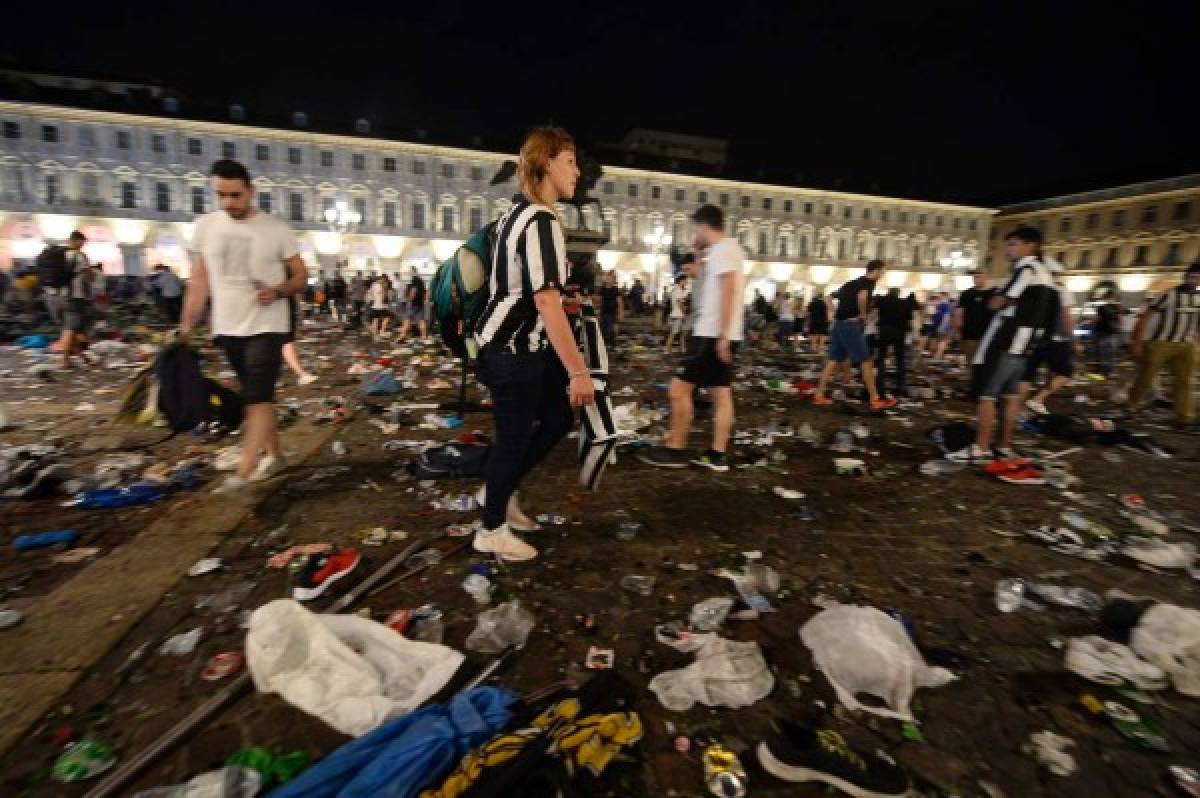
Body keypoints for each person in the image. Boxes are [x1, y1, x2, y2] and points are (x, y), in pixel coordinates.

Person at [471, 126, 594, 563]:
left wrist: (565, 302)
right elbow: (542, 299)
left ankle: (498, 492)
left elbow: (529, 289)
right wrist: (579, 371)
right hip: (512, 349)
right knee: (513, 438)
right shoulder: (541, 220)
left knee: (557, 418)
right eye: (569, 161)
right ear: (545, 164)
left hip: (511, 344)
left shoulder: (514, 215)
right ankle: (490, 528)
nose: (577, 172)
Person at [181, 159, 307, 491]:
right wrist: (186, 325)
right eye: (221, 195)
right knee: (257, 397)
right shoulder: (206, 226)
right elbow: (199, 280)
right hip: (228, 327)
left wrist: (278, 291)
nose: (228, 203)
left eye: (235, 195)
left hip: (268, 324)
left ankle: (245, 471)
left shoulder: (276, 228)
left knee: (257, 397)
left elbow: (301, 276)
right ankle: (276, 454)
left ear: (250, 191)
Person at [639, 204, 744, 472]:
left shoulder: (722, 251)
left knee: (679, 390)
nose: (694, 233)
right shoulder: (726, 250)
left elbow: (729, 292)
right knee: (721, 393)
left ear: (704, 225)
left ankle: (676, 449)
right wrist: (698, 254)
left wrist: (721, 335)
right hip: (721, 333)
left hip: (711, 334)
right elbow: (704, 280)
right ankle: (716, 455)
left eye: (695, 228)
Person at [952, 226, 1058, 464]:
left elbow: (997, 303)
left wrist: (997, 298)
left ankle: (981, 448)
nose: (1008, 250)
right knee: (1011, 396)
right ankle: (1004, 445)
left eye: (1013, 244)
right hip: (1025, 344)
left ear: (1031, 246)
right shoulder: (1047, 275)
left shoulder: (1026, 269)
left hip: (1006, 340)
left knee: (986, 396)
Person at [810, 261, 896, 410]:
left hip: (838, 325)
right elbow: (862, 297)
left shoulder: (851, 283)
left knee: (832, 361)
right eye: (883, 271)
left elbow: (827, 298)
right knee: (866, 360)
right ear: (875, 271)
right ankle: (875, 399)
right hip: (850, 326)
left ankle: (819, 395)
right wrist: (863, 315)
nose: (883, 275)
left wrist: (833, 313)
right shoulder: (867, 283)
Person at [1124, 262, 1200, 428]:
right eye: (1193, 277)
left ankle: (1184, 417)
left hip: (1186, 345)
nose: (1195, 281)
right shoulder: (1168, 295)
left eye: (1198, 278)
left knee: (1185, 381)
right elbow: (1145, 317)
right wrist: (1137, 342)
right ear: (1186, 276)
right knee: (1146, 376)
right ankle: (1130, 405)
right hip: (1161, 343)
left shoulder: (1198, 297)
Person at [1022, 260, 1077, 416]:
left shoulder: (1035, 290)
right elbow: (1067, 318)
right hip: (1057, 339)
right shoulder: (1061, 290)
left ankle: (1018, 409)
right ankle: (1038, 399)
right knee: (1065, 373)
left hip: (1034, 337)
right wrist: (1073, 340)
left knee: (1027, 374)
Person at [874, 287, 918, 398]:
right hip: (899, 333)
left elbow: (874, 305)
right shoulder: (904, 303)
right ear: (898, 294)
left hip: (884, 331)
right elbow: (910, 317)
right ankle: (900, 386)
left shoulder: (883, 301)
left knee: (881, 358)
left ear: (888, 293)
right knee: (900, 360)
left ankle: (880, 384)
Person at [954, 271, 995, 366]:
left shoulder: (993, 293)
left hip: (989, 336)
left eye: (979, 276)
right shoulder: (966, 294)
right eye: (975, 277)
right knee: (972, 364)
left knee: (987, 365)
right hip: (970, 335)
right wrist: (958, 332)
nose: (977, 279)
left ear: (986, 277)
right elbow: (959, 313)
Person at [1088, 285, 1122, 378]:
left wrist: (1090, 323)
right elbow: (1120, 319)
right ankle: (1110, 372)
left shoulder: (1102, 307)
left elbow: (1097, 319)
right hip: (1113, 333)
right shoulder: (1117, 308)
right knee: (1111, 353)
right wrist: (1119, 330)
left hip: (1102, 332)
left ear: (1105, 297)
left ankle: (1102, 372)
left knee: (1102, 352)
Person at [665, 261, 694, 354]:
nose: (686, 282)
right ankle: (667, 350)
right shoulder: (678, 290)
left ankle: (682, 349)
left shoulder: (678, 290)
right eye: (685, 281)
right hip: (677, 315)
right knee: (674, 333)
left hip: (677, 315)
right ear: (681, 280)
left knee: (681, 333)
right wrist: (685, 312)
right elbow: (679, 303)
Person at [597, 270, 623, 348]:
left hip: (612, 313)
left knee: (611, 330)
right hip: (603, 312)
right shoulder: (602, 289)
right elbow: (600, 300)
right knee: (603, 330)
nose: (609, 279)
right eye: (608, 277)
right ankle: (605, 346)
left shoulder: (615, 290)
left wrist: (620, 313)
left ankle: (612, 345)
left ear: (613, 279)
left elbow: (619, 302)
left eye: (611, 278)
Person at [399, 275, 429, 340]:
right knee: (421, 321)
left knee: (407, 321)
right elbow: (426, 298)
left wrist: (408, 301)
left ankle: (402, 336)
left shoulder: (413, 287)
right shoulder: (422, 288)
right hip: (420, 306)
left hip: (412, 305)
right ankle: (424, 336)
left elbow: (412, 295)